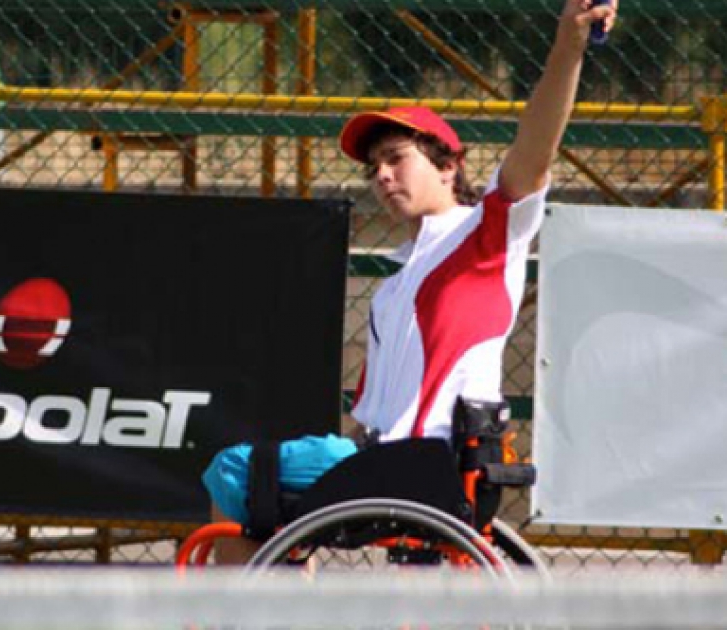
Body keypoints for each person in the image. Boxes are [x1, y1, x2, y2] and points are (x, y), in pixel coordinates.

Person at [203, 0, 619, 564]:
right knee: (263, 511)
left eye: (396, 158)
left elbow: (536, 146)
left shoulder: (488, 233)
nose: (381, 174)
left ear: (448, 166)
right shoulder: (394, 288)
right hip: (387, 465)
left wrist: (568, 46)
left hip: (424, 468)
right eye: (373, 166)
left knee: (231, 472)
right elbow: (369, 419)